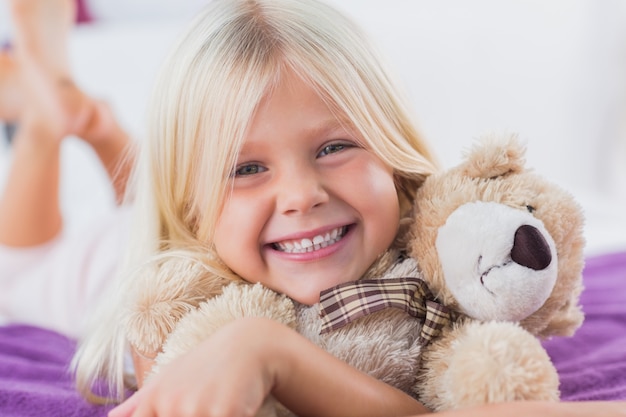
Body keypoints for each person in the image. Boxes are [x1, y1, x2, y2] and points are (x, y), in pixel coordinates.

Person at [2, 0, 623, 416]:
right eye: (246, 166)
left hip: (205, 213)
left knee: (168, 190)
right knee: (24, 261)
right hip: (91, 257)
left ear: (393, 156)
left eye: (334, 147)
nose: (303, 194)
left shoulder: (434, 254)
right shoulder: (167, 307)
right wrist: (260, 346)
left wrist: (273, 352)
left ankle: (100, 124)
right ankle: (50, 116)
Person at [0, 0, 134, 338]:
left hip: (99, 282)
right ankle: (57, 121)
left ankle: (61, 122)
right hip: (146, 264)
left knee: (13, 286)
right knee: (177, 226)